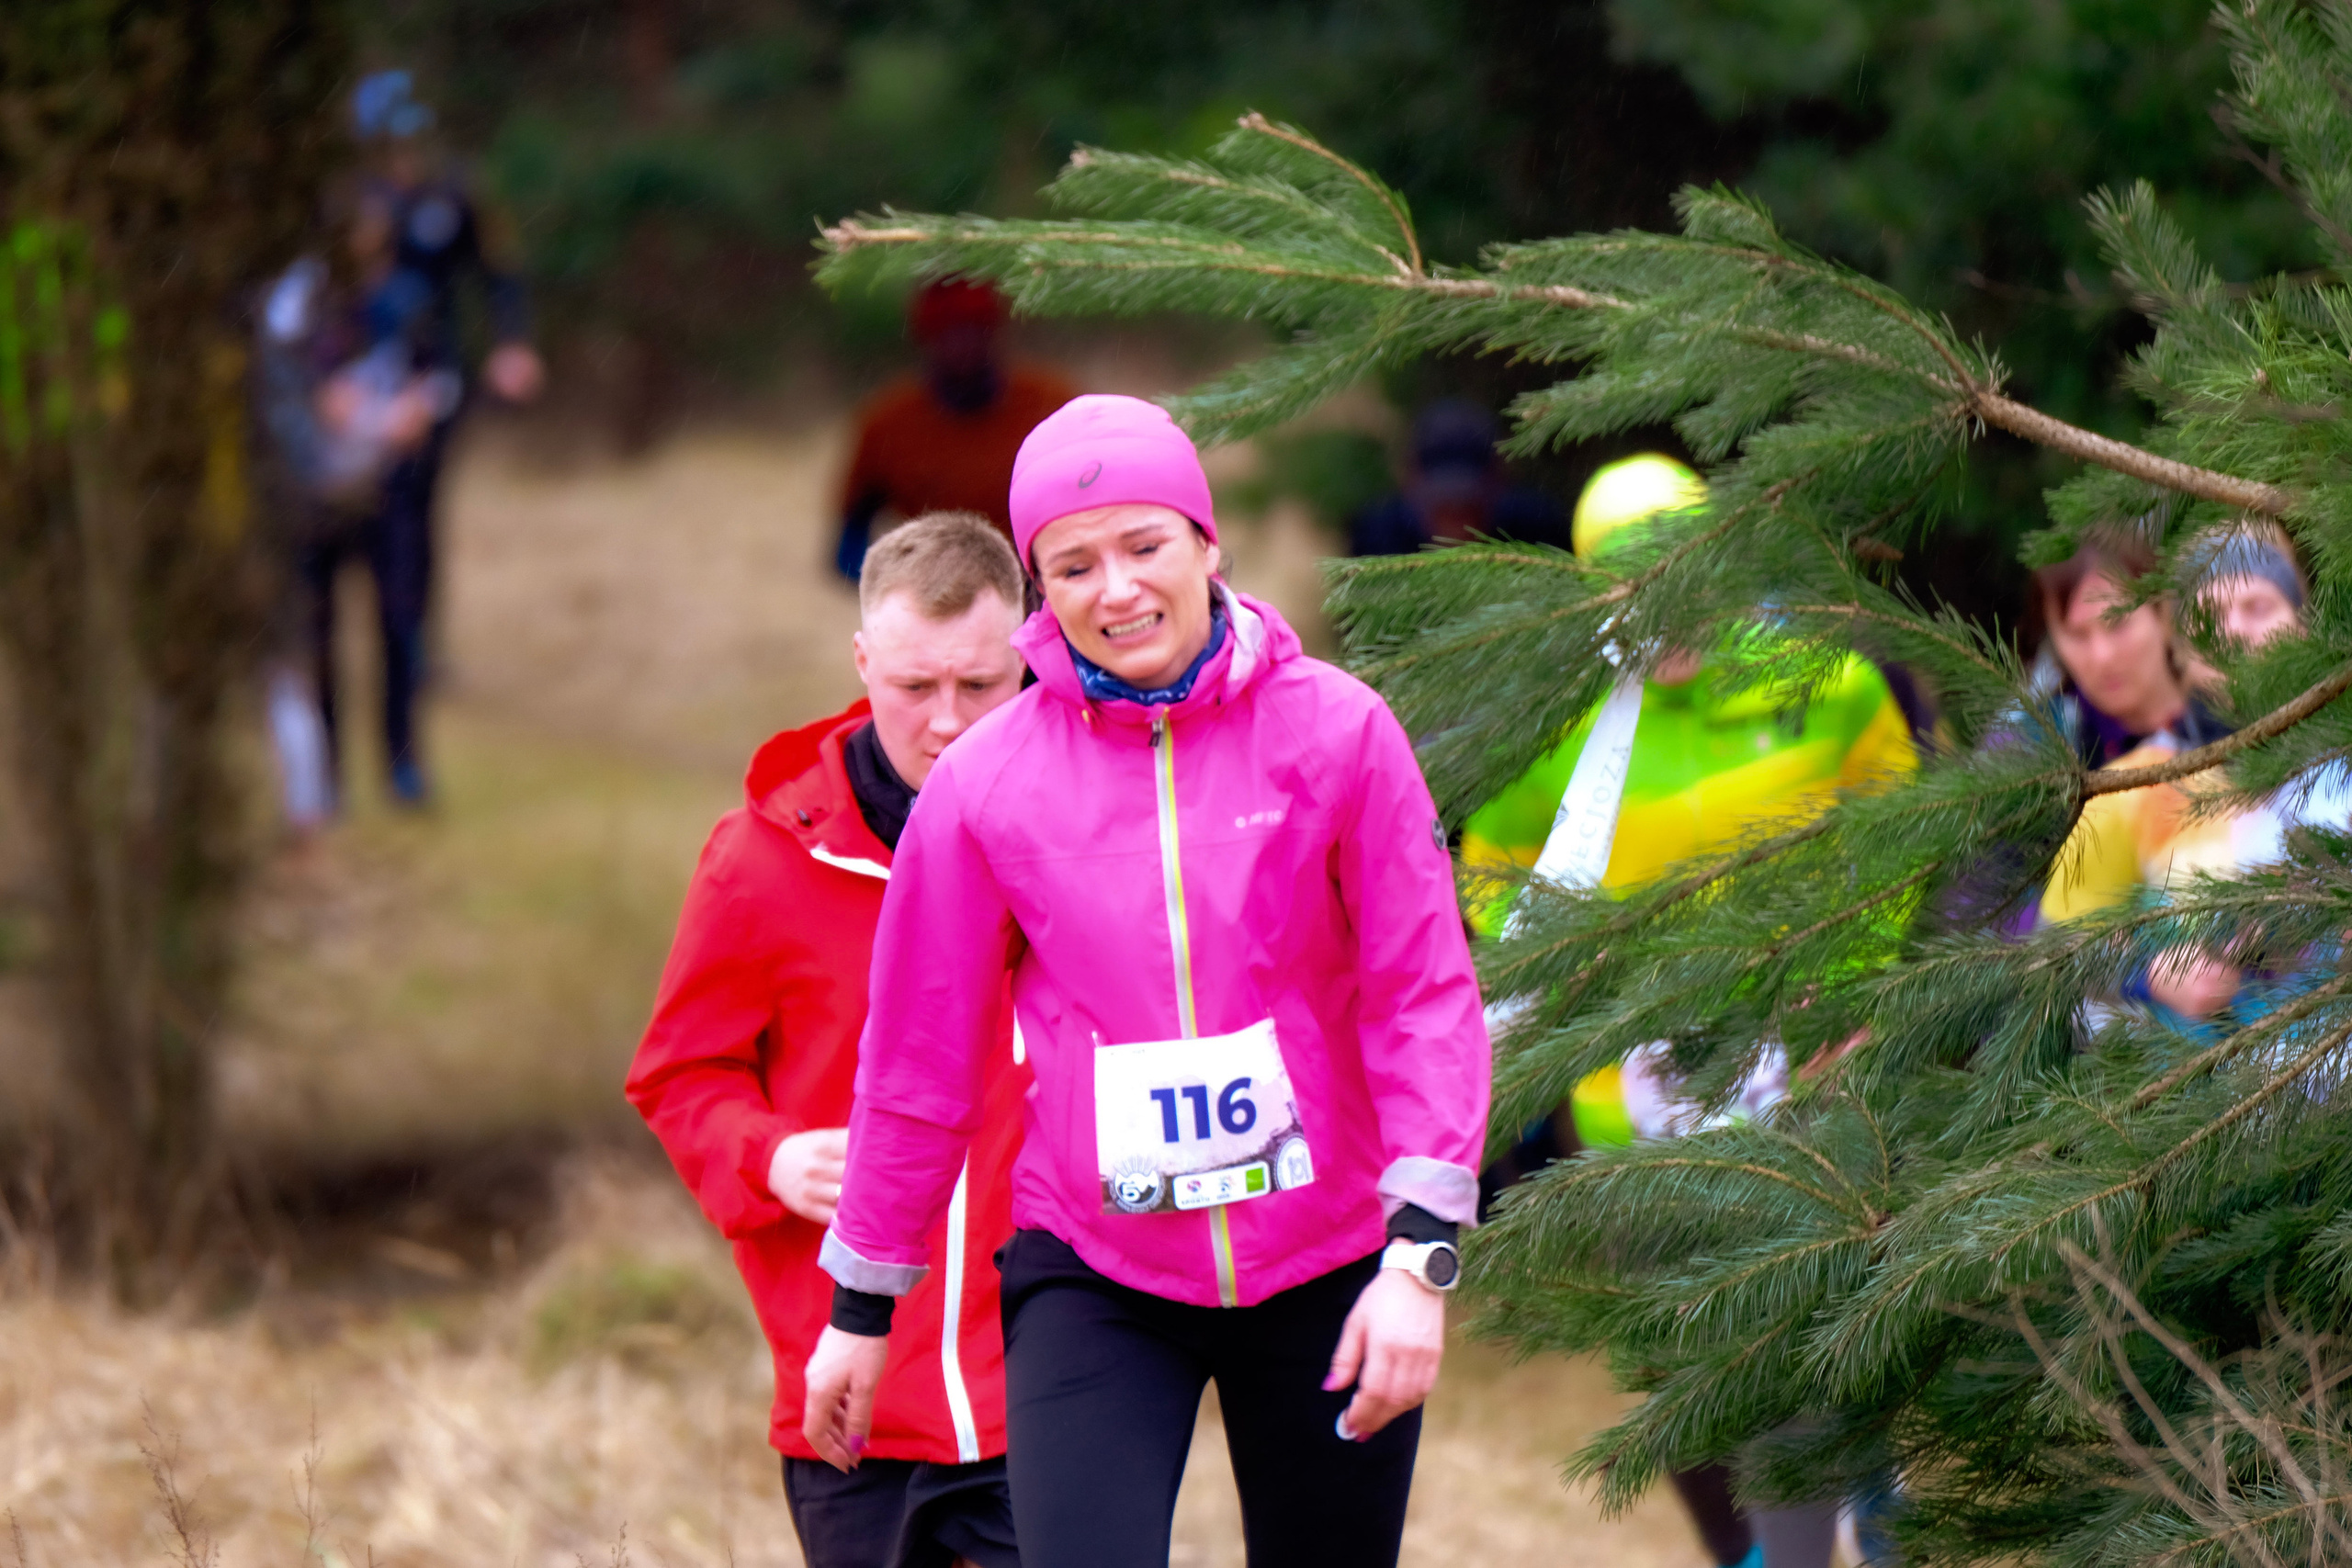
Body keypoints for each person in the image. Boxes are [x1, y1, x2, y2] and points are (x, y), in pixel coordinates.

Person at [803, 394, 1490, 1568]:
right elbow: (919, 1059)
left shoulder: (1339, 734)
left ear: (1207, 546)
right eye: (1072, 566)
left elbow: (1422, 996)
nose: (1113, 590)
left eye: (1143, 546)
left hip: (1322, 1255)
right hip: (1100, 1267)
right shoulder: (985, 786)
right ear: (1038, 591)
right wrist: (861, 1310)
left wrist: (1420, 1258)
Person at [1459, 454, 1920, 1568]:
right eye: (1623, 591)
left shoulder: (1820, 683)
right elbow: (1487, 868)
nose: (1657, 615)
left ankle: (1880, 1511)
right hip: (1639, 1126)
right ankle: (1762, 1552)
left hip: (1806, 1087)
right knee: (1700, 1377)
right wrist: (1581, 979)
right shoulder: (1566, 723)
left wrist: (1849, 978)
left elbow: (1901, 820)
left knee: (1833, 1345)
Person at [626, 513, 1032, 1568]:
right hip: (851, 1395)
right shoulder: (758, 862)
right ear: (862, 663)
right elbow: (678, 1074)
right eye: (913, 688)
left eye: (979, 688)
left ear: (1029, 655)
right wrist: (765, 1154)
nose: (946, 723)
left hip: (1051, 1382)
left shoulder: (1081, 833)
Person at [2040, 525, 2351, 1024]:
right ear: (2180, 648)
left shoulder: (2344, 763)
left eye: (2258, 607)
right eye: (2209, 614)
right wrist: (2148, 972)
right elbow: (2052, 950)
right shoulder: (2132, 789)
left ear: (2302, 625)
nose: (2232, 630)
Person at [334, 69, 545, 806]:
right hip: (353, 389)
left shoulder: (454, 195)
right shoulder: (348, 201)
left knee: (417, 515)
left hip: (434, 382)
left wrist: (511, 344)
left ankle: (414, 641)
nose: (403, 154)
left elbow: (500, 273)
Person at [833, 278, 1075, 581]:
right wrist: (904, 589)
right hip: (941, 601)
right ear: (927, 339)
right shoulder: (888, 426)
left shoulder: (1049, 406)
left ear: (993, 332)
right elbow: (847, 544)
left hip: (1039, 594)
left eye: (972, 330)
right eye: (948, 334)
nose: (961, 346)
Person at [1346, 399, 1570, 557]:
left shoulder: (1537, 531)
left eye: (1469, 505)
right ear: (1409, 479)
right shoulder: (1378, 541)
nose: (1457, 517)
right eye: (1443, 505)